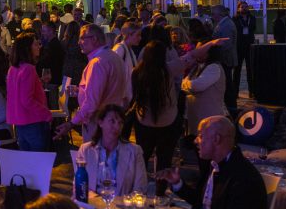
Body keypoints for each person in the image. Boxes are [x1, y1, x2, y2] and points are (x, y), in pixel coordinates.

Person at [56, 24, 127, 142]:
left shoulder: (97, 63)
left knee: (95, 158)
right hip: (113, 120)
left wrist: (71, 123)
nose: (79, 42)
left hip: (98, 125)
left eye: (82, 38)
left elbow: (91, 103)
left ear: (94, 39)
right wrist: (81, 91)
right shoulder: (114, 57)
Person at [77, 103, 146, 197]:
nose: (117, 127)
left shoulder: (134, 151)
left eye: (120, 123)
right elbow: (79, 186)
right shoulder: (86, 150)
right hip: (93, 206)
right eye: (112, 121)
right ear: (100, 122)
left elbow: (140, 188)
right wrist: (97, 201)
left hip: (123, 207)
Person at [131, 40, 180, 171]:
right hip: (168, 120)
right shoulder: (168, 70)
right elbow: (190, 57)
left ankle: (138, 186)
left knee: (142, 156)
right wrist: (210, 44)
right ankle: (160, 189)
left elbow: (132, 95)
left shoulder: (137, 72)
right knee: (164, 159)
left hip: (144, 120)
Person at [6, 33, 52, 152]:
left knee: (27, 161)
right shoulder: (28, 69)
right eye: (36, 44)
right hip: (33, 121)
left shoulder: (13, 69)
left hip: (19, 121)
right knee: (39, 161)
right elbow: (27, 100)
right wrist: (46, 113)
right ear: (27, 48)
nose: (39, 47)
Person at [181, 45, 229, 131]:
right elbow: (184, 85)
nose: (197, 52)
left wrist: (187, 84)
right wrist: (187, 84)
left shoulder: (214, 67)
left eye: (201, 50)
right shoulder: (197, 67)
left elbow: (196, 86)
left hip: (208, 117)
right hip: (195, 116)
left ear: (209, 53)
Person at [210, 4, 239, 112]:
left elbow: (226, 45)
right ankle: (230, 106)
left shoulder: (226, 25)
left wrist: (215, 53)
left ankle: (231, 108)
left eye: (213, 14)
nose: (212, 16)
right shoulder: (222, 23)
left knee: (227, 85)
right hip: (224, 58)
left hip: (226, 59)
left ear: (220, 14)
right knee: (227, 84)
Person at [232, 0, 256, 96]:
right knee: (237, 70)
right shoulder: (235, 19)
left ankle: (252, 91)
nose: (244, 8)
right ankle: (235, 92)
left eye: (246, 7)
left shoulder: (252, 17)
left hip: (249, 45)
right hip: (239, 46)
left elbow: (253, 28)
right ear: (239, 8)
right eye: (242, 7)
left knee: (250, 69)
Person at [35, 21, 65, 88]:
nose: (42, 33)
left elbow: (46, 62)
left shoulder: (53, 45)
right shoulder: (52, 44)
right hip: (52, 79)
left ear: (51, 31)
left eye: (44, 31)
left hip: (52, 80)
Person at [61, 20, 87, 86]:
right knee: (78, 90)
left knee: (66, 91)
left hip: (67, 69)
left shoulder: (64, 42)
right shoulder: (82, 42)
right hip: (79, 69)